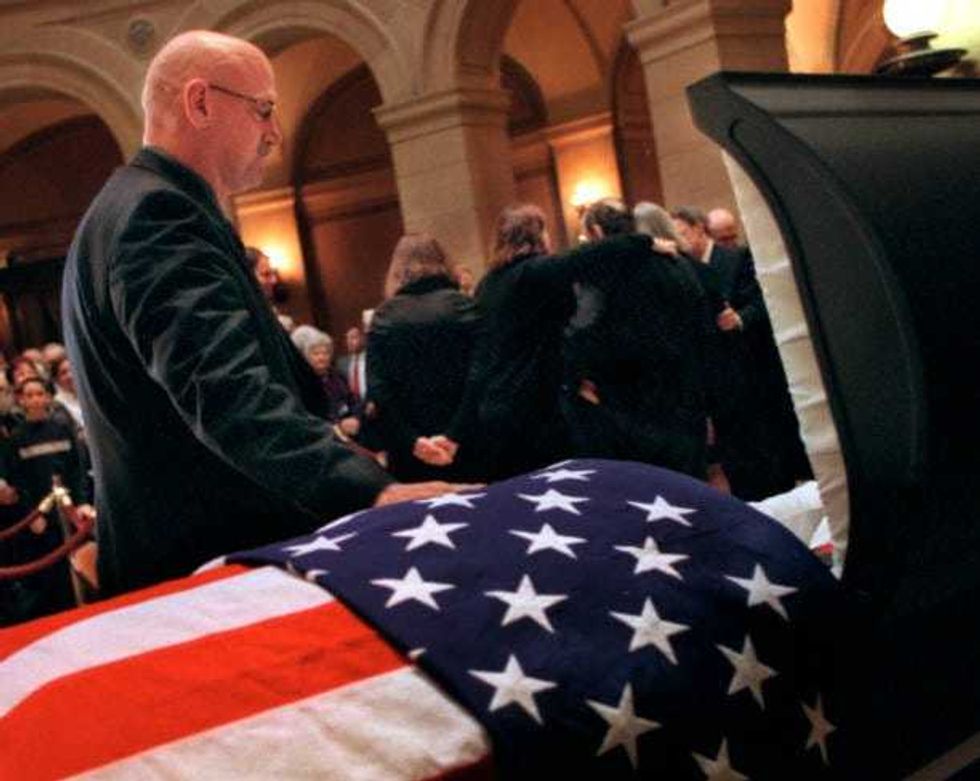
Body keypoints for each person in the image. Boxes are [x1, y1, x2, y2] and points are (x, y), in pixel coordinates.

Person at [61, 30, 462, 597]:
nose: (275, 134)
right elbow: (223, 389)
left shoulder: (138, 206)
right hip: (211, 569)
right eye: (264, 110)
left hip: (206, 557)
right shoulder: (157, 215)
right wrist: (367, 489)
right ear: (200, 102)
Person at [672, 206, 811, 499]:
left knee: (765, 446)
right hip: (719, 379)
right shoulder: (683, 270)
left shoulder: (736, 258)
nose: (678, 240)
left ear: (698, 228)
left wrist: (740, 318)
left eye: (682, 233)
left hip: (753, 368)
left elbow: (765, 302)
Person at [564, 199, 708, 477]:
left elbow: (582, 329)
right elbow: (702, 327)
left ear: (596, 232)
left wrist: (574, 378)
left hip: (627, 406)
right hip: (685, 399)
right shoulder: (676, 263)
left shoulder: (600, 275)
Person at [367, 234, 481, 481]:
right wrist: (454, 435)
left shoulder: (384, 315)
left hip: (409, 453)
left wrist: (413, 442)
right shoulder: (464, 306)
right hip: (468, 443)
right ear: (443, 261)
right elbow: (480, 376)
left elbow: (379, 390)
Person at [289, 325, 360, 437]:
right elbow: (311, 414)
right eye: (316, 354)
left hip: (351, 428)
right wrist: (339, 425)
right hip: (325, 433)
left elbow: (353, 400)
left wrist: (355, 417)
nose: (321, 358)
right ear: (307, 357)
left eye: (325, 353)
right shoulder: (304, 382)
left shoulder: (338, 375)